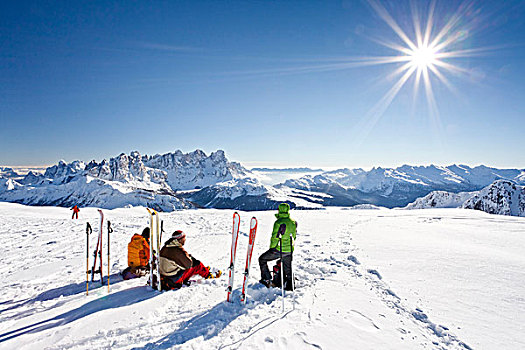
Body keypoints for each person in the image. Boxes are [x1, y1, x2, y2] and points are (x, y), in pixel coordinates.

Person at [259, 203, 297, 290]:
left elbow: (275, 237)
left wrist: (272, 248)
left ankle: (266, 279)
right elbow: (294, 237)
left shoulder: (278, 222)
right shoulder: (293, 222)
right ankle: (290, 285)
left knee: (262, 259)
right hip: (289, 250)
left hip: (279, 250)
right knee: (287, 268)